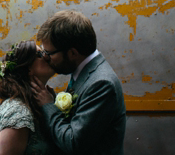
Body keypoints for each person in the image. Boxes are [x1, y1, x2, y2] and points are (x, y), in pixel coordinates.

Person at [31, 10, 126, 154]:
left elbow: (73, 142)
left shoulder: (102, 83)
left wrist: (48, 105)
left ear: (72, 53)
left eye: (49, 53)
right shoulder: (83, 70)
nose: (45, 58)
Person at [0, 40, 57, 155]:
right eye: (40, 55)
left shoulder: (33, 103)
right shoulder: (18, 111)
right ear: (28, 68)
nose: (47, 57)